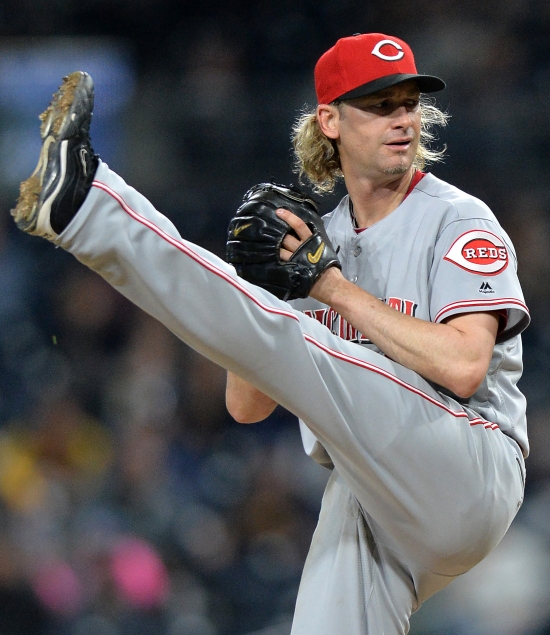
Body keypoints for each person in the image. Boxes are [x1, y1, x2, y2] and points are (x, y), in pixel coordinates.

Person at [12, 33, 529, 635]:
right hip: (374, 498)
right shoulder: (319, 238)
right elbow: (247, 404)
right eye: (380, 104)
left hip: (469, 462)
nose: (402, 119)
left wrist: (327, 287)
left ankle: (88, 204)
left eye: (409, 102)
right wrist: (266, 289)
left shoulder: (455, 217)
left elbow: (466, 366)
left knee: (307, 345)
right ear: (330, 120)